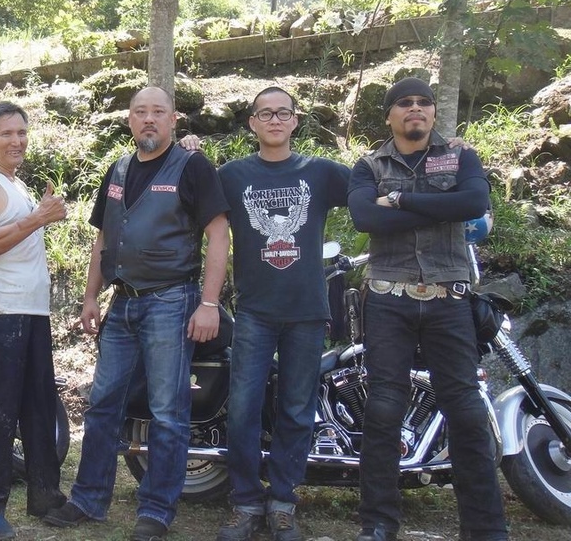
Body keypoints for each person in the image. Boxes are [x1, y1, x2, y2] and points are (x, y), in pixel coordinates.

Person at [43, 86, 230, 541]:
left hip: (172, 300)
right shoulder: (119, 169)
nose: (149, 119)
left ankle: (157, 510)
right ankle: (88, 500)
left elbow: (219, 233)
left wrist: (209, 303)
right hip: (121, 303)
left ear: (173, 120)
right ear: (129, 119)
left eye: (158, 112)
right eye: (140, 111)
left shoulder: (193, 166)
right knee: (103, 404)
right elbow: (104, 238)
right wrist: (91, 296)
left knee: (168, 410)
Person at [347, 77, 508, 541]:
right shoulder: (368, 165)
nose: (415, 108)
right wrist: (443, 206)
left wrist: (399, 200)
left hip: (449, 299)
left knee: (467, 412)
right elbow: (365, 218)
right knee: (382, 409)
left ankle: (486, 529)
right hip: (387, 299)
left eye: (423, 102)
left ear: (434, 112)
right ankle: (378, 524)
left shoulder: (460, 157)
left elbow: (474, 202)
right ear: (389, 116)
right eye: (404, 103)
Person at [205, 87, 350, 541]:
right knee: (243, 409)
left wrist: (442, 149)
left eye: (282, 113)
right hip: (254, 312)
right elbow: (192, 189)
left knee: (296, 409)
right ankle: (246, 502)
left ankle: (283, 502)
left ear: (295, 120)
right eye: (265, 114)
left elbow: (375, 183)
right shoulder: (232, 175)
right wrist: (188, 147)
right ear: (252, 122)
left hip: (307, 312)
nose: (274, 120)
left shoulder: (321, 172)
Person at [0, 101, 69, 539]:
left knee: (39, 405)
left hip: (33, 309)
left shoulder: (17, 184)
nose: (17, 141)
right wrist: (38, 218)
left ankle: (45, 495)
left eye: (22, 132)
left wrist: (38, 215)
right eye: (6, 133)